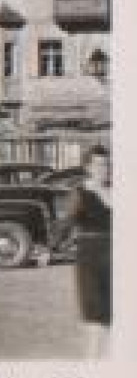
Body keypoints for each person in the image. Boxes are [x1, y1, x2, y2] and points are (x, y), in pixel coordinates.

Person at [63, 144, 112, 357]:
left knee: (113, 320)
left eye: (107, 164)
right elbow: (67, 222)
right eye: (99, 165)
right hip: (90, 259)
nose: (105, 169)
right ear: (88, 167)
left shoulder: (119, 190)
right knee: (95, 320)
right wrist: (48, 248)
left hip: (117, 259)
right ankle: (91, 370)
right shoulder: (80, 193)